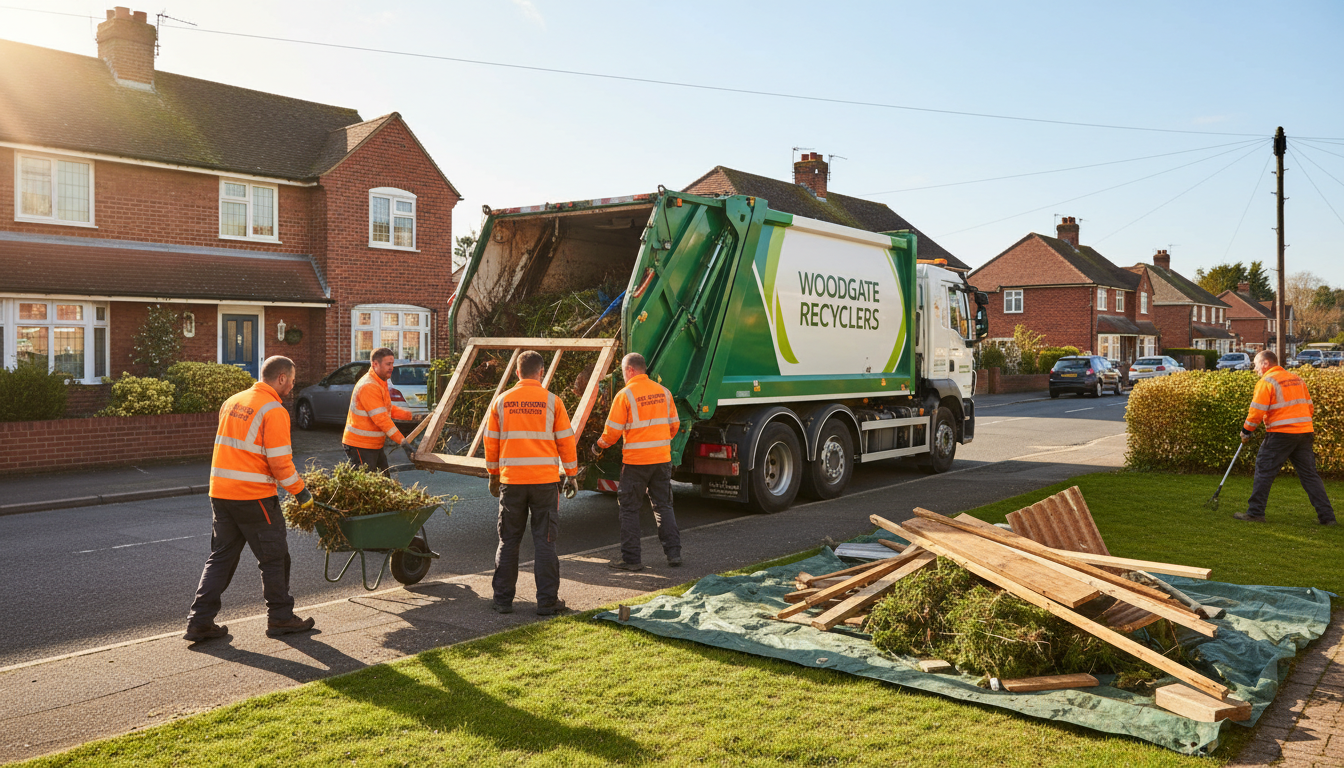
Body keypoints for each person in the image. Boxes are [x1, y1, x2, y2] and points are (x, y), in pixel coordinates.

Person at [185, 355, 316, 642]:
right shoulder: (274, 410)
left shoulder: (233, 401)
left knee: (221, 558)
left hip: (220, 493)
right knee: (275, 558)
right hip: (254, 496)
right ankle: (281, 617)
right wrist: (301, 492)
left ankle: (199, 621)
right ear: (281, 378)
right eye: (292, 381)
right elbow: (281, 464)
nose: (293, 387)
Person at [483, 350, 579, 615]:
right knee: (545, 542)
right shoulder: (552, 402)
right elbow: (566, 440)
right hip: (544, 484)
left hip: (511, 482)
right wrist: (571, 473)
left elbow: (490, 441)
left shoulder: (501, 401)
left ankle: (502, 600)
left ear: (516, 372)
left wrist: (493, 474)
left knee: (508, 541)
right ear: (541, 372)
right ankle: (547, 602)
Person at [593, 352, 682, 571]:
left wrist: (598, 446)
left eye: (624, 371)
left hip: (636, 463)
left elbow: (612, 432)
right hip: (662, 460)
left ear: (630, 370)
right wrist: (658, 442)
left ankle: (632, 559)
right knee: (663, 506)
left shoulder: (625, 395)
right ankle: (674, 554)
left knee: (629, 509)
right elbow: (674, 425)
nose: (624, 376)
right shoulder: (664, 392)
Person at [1236, 349, 1337, 525]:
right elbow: (1309, 408)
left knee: (1264, 470)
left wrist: (1246, 431)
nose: (1255, 369)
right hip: (1304, 432)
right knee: (1310, 475)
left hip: (1281, 434)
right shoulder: (1297, 379)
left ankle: (1255, 512)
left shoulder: (1267, 381)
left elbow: (1256, 412)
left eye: (1256, 365)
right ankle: (1327, 517)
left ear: (1266, 363)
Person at [343, 347, 420, 473]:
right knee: (366, 487)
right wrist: (403, 442)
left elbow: (387, 409)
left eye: (392, 364)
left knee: (383, 482)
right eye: (388, 364)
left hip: (373, 445)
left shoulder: (380, 382)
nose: (391, 367)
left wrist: (412, 416)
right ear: (375, 364)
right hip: (360, 445)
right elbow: (382, 419)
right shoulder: (369, 386)